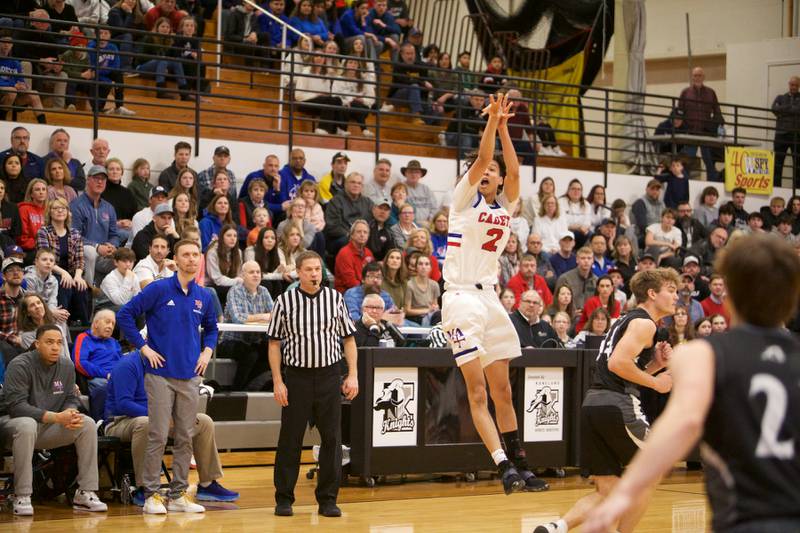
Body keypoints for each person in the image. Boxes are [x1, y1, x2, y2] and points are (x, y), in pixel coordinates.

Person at [582, 234, 800, 533]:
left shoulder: (702, 355)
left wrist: (625, 496)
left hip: (743, 520)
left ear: (729, 295)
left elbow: (682, 425)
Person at [441, 93, 548, 494]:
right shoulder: (461, 200)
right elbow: (485, 160)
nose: (486, 172)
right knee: (478, 389)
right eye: (481, 169)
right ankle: (502, 465)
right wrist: (489, 126)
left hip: (490, 298)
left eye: (493, 172)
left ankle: (522, 462)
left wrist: (505, 127)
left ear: (500, 181)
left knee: (503, 388)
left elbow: (515, 171)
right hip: (460, 298)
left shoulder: (505, 206)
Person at [533, 268, 679, 533]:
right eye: (671, 290)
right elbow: (618, 363)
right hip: (617, 405)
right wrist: (657, 383)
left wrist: (655, 365)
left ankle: (557, 526)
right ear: (652, 293)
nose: (676, 297)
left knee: (607, 491)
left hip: (594, 405)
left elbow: (619, 370)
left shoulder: (626, 320)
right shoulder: (644, 323)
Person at [117, 238, 218, 515]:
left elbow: (211, 328)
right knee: (158, 434)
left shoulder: (204, 295)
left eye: (195, 255)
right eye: (185, 255)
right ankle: (151, 494)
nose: (191, 259)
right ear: (176, 258)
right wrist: (144, 347)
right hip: (160, 374)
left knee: (185, 436)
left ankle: (178, 495)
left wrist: (207, 352)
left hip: (190, 375)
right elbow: (125, 315)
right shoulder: (159, 288)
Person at [266, 250, 358, 518]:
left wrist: (352, 374)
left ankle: (328, 499)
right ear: (298, 272)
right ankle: (284, 498)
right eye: (308, 269)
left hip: (330, 376)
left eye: (318, 269)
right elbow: (274, 343)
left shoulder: (334, 299)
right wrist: (278, 381)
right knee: (289, 440)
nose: (315, 274)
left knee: (332, 439)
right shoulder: (284, 301)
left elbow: (349, 339)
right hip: (297, 378)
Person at [104, 351, 238, 507]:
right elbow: (123, 404)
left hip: (159, 418)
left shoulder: (168, 364)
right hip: (120, 421)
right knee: (146, 423)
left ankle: (207, 484)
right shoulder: (127, 365)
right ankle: (145, 488)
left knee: (203, 422)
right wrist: (161, 415)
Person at [0, 324, 108, 516]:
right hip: (13, 425)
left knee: (87, 424)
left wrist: (70, 413)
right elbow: (16, 407)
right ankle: (22, 495)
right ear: (36, 344)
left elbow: (70, 398)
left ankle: (85, 492)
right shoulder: (19, 365)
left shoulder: (66, 365)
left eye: (59, 342)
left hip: (48, 426)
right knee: (27, 424)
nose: (55, 347)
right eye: (49, 342)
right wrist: (57, 417)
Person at [217, 260, 273, 391]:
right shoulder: (235, 291)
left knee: (274, 350)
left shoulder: (263, 291)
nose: (256, 275)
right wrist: (263, 316)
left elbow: (275, 316)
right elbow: (239, 318)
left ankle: (253, 387)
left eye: (258, 272)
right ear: (243, 275)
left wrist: (259, 318)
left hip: (254, 340)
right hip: (230, 341)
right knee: (250, 354)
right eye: (251, 272)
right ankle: (237, 391)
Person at [71, 165, 120, 287]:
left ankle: (115, 299)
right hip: (83, 252)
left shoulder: (109, 207)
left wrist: (112, 246)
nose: (100, 182)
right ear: (88, 180)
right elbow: (74, 235)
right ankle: (88, 291)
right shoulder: (76, 205)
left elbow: (114, 234)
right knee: (90, 252)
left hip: (105, 254)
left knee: (126, 257)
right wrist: (97, 247)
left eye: (103, 179)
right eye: (96, 178)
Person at [72, 309, 122, 420]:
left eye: (113, 324)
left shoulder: (114, 342)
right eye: (107, 322)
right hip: (98, 378)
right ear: (95, 323)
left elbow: (121, 362)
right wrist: (106, 374)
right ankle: (105, 423)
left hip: (117, 377)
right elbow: (80, 363)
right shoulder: (84, 338)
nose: (110, 326)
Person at [678, 67, 724, 182]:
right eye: (695, 75)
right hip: (690, 132)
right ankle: (684, 182)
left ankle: (712, 183)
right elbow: (679, 112)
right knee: (687, 160)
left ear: (703, 77)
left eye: (699, 75)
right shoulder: (685, 92)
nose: (697, 77)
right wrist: (683, 128)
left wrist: (714, 127)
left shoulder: (711, 93)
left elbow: (717, 112)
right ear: (692, 77)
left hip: (706, 133)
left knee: (709, 161)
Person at [324, 171, 374, 254]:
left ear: (362, 187)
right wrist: (353, 235)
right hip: (340, 238)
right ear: (346, 184)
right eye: (353, 182)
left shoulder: (368, 202)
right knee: (350, 241)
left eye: (359, 183)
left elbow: (373, 221)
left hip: (362, 236)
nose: (356, 185)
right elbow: (332, 226)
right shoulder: (335, 201)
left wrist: (363, 234)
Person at [772, 76, 799, 187]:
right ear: (789, 85)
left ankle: (797, 189)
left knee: (797, 165)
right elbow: (774, 108)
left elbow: (798, 110)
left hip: (797, 135)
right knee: (778, 163)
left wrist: (783, 109)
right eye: (791, 84)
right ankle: (776, 187)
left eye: (795, 85)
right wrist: (791, 107)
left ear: (798, 86)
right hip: (781, 135)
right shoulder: (780, 97)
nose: (793, 87)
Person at [334, 219, 374, 293]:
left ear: (368, 236)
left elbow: (373, 275)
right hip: (347, 293)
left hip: (365, 291)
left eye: (365, 232)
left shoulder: (368, 253)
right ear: (351, 235)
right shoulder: (344, 253)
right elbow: (350, 282)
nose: (362, 234)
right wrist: (368, 291)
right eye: (359, 232)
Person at [555, 246, 598, 311]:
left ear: (593, 260)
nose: (586, 261)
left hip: (590, 316)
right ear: (577, 260)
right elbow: (557, 302)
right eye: (583, 258)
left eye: (589, 258)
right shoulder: (565, 278)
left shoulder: (596, 280)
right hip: (569, 315)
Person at [0, 257, 25, 361]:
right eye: (11, 270)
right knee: (8, 350)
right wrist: (11, 338)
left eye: (19, 269)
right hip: (3, 343)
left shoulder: (28, 298)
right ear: (3, 276)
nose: (16, 273)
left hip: (22, 341)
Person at [401, 159, 437, 224]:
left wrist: (429, 220)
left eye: (417, 172)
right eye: (411, 172)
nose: (414, 174)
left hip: (427, 224)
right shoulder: (400, 188)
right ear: (406, 173)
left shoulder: (426, 189)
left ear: (421, 174)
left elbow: (434, 207)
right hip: (408, 224)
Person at [631, 179, 665, 244]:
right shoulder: (640, 203)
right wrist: (657, 235)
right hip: (643, 236)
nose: (655, 192)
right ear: (646, 189)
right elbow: (642, 226)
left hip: (660, 235)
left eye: (657, 190)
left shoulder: (662, 204)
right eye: (652, 189)